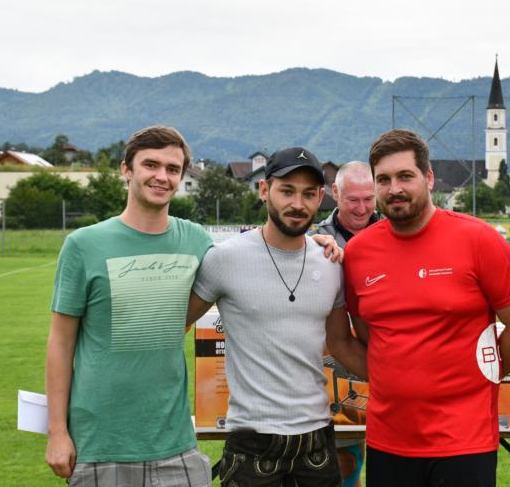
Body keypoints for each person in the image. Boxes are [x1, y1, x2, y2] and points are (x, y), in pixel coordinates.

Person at [343, 129, 510, 487]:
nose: (394, 188)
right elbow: (370, 339)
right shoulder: (358, 253)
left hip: (464, 442)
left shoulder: (478, 240)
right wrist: (398, 379)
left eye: (405, 176)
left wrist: (481, 376)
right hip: (389, 441)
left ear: (429, 178)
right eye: (384, 180)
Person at [187, 147, 368, 487]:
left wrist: (404, 381)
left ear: (321, 198)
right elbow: (174, 327)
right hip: (252, 441)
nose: (297, 204)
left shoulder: (330, 263)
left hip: (316, 440)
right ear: (264, 190)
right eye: (287, 191)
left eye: (308, 194)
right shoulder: (225, 259)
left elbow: (341, 344)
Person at [45, 126, 213, 486]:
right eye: (150, 165)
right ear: (127, 170)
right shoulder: (83, 245)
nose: (162, 176)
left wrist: (317, 243)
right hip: (100, 446)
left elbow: (254, 257)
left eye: (172, 169)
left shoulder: (196, 241)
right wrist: (57, 432)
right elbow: (60, 342)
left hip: (175, 445)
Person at [313, 161, 378, 487]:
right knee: (344, 462)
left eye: (369, 199)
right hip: (336, 369)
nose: (362, 208)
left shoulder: (397, 231)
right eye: (353, 200)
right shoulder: (315, 240)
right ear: (335, 192)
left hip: (388, 362)